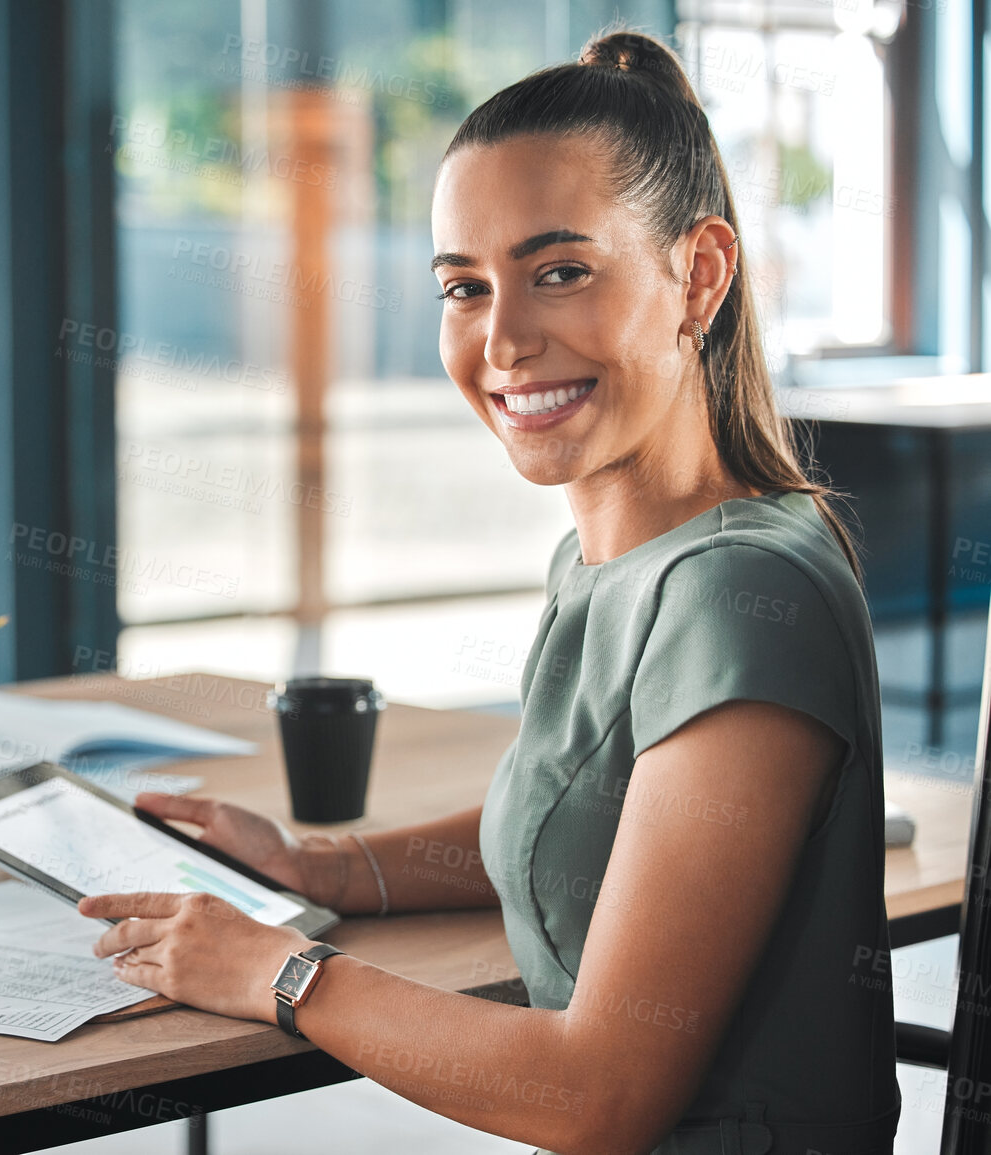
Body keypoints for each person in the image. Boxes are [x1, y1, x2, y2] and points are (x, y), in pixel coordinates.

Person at [79, 29, 899, 1155]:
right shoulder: (617, 559)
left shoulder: (740, 593)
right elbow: (589, 832)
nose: (504, 340)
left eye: (560, 272)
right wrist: (322, 870)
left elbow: (598, 1095)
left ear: (698, 275)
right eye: (465, 287)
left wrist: (278, 968)